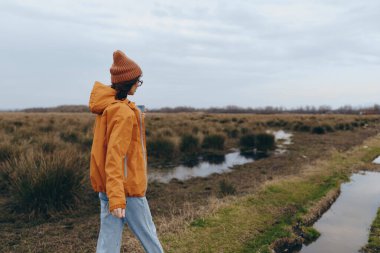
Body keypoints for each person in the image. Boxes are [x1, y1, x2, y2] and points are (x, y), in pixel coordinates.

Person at [88, 50, 164, 253]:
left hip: (109, 187)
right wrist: (118, 198)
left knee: (108, 242)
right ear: (128, 82)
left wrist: (136, 113)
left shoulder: (111, 107)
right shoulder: (122, 113)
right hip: (126, 188)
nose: (138, 85)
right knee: (149, 237)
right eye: (138, 81)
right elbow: (114, 157)